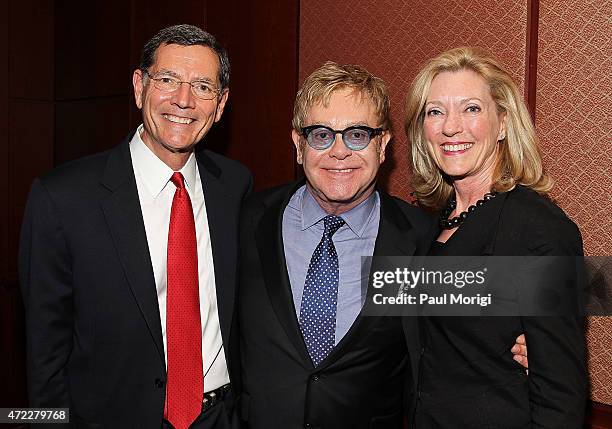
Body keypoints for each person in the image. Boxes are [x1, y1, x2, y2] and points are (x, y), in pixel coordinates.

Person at [237, 61, 528, 429]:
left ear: (383, 145)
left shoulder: (419, 238)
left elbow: (499, 291)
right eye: (321, 135)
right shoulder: (248, 220)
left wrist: (535, 337)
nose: (338, 151)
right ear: (298, 144)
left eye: (357, 135)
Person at [19, 25, 251, 429]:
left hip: (222, 416)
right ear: (139, 86)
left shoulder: (235, 187)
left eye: (202, 86)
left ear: (221, 104)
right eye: (167, 80)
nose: (183, 100)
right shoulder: (63, 198)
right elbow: (45, 354)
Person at [404, 47, 586, 428]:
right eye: (435, 111)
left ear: (503, 123)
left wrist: (545, 351)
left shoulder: (540, 229)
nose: (451, 127)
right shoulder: (429, 224)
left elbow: (561, 397)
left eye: (471, 108)